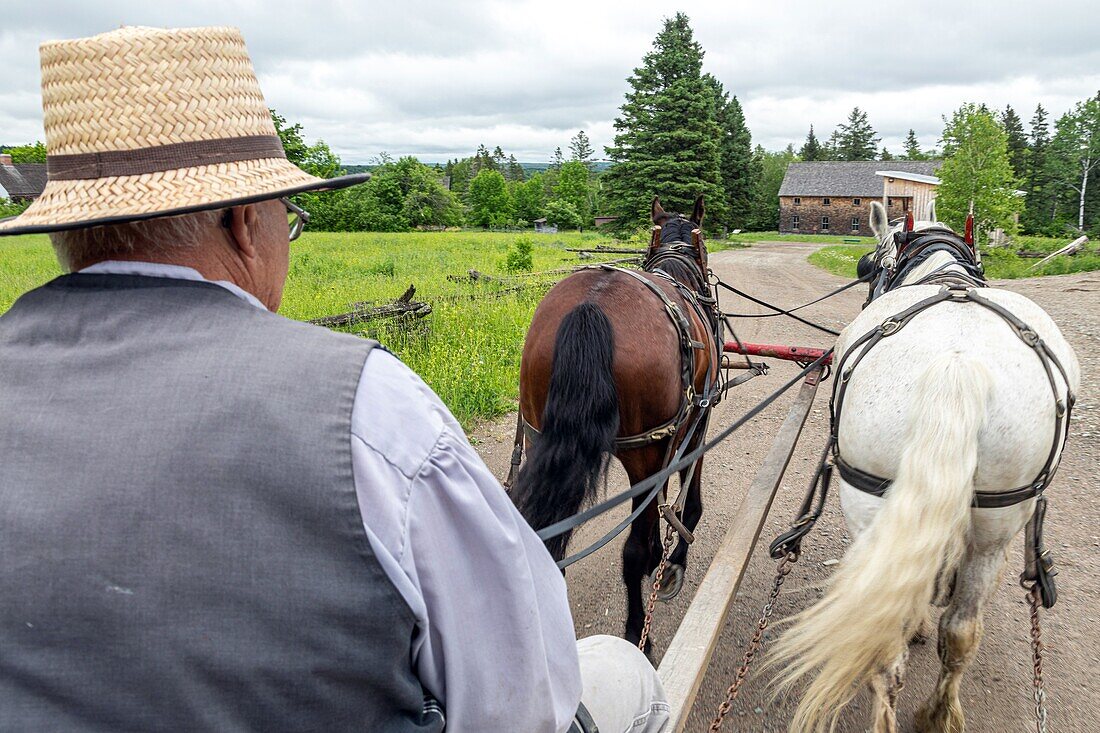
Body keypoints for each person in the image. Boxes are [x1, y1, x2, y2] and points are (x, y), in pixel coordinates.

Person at [0, 25, 668, 733]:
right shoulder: (368, 415)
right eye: (288, 219)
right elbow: (524, 699)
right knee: (628, 679)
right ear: (241, 222)